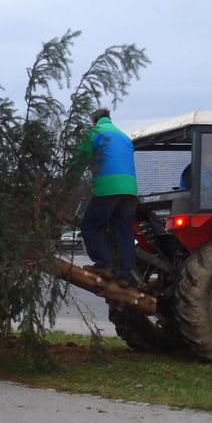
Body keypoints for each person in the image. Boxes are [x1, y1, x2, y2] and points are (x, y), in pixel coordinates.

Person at [74, 108, 138, 288]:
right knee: (124, 232)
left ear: (93, 122)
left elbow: (79, 161)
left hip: (109, 188)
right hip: (130, 190)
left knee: (91, 227)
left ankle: (104, 265)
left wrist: (67, 186)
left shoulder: (94, 133)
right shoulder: (125, 137)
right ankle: (126, 275)